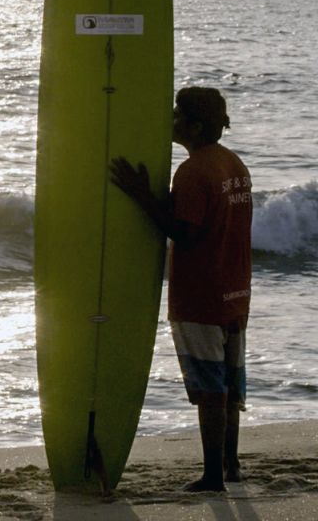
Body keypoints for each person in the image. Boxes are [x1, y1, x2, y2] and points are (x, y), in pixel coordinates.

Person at [110, 86, 252, 493]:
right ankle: (231, 464)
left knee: (210, 389)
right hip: (236, 290)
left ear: (193, 125)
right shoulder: (233, 165)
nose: (171, 119)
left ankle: (212, 477)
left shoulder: (193, 172)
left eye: (177, 114)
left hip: (201, 296)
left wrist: (141, 196)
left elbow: (185, 234)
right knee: (228, 382)